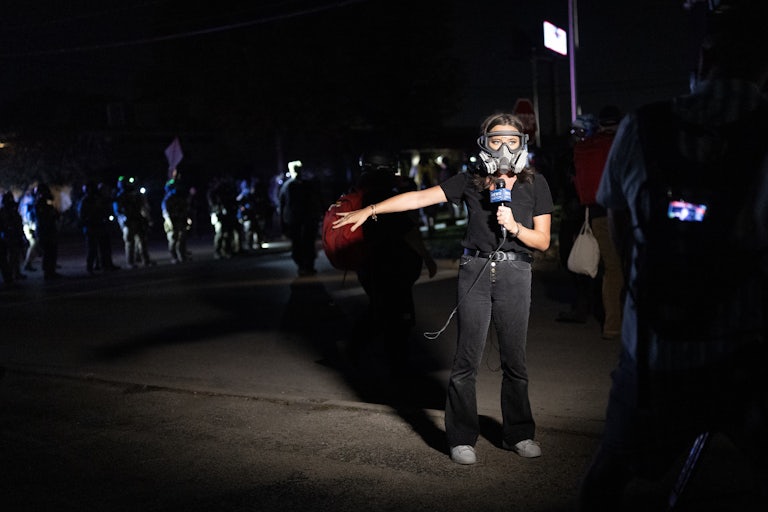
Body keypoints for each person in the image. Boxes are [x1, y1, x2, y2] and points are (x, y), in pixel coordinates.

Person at [577, 1, 768, 509]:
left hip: (654, 359)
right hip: (745, 360)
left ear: (703, 61)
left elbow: (620, 228)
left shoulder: (641, 127)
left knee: (606, 480)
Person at [333, 113, 554, 465]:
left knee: (515, 361)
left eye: (512, 140)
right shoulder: (469, 180)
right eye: (497, 140)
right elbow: (418, 198)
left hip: (516, 272)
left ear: (522, 145)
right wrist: (371, 209)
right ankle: (461, 438)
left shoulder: (536, 183)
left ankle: (519, 433)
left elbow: (542, 241)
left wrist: (514, 227)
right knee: (466, 361)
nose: (504, 147)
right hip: (475, 270)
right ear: (485, 143)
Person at [350, 150, 437, 374]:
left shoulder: (359, 193)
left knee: (379, 309)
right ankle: (394, 363)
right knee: (396, 315)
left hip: (368, 264)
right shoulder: (385, 197)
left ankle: (360, 350)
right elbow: (409, 232)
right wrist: (427, 258)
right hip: (392, 265)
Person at [561, 107, 625, 340]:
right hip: (622, 212)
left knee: (611, 268)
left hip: (595, 213)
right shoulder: (620, 144)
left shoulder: (584, 149)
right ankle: (621, 325)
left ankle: (612, 325)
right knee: (623, 269)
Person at [279, 164, 324, 276]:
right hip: (300, 220)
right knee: (303, 243)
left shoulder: (290, 186)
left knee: (303, 243)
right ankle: (305, 265)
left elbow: (283, 205)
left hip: (300, 220)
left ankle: (305, 265)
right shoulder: (295, 185)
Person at [77, 181, 119, 274]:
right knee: (92, 248)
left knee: (104, 246)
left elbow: (104, 208)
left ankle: (106, 264)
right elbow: (82, 215)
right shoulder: (85, 201)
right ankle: (90, 267)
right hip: (91, 226)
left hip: (100, 225)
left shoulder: (97, 199)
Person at [113, 176, 153, 268]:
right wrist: (123, 221)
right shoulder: (120, 197)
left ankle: (145, 260)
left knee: (142, 241)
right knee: (130, 242)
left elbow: (143, 207)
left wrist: (147, 218)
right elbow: (118, 211)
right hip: (129, 221)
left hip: (138, 219)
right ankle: (130, 262)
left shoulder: (136, 195)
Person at [30, 183, 62, 281]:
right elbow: (43, 218)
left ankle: (51, 271)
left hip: (49, 230)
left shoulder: (46, 203)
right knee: (48, 252)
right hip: (45, 231)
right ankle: (48, 273)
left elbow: (55, 215)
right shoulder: (39, 204)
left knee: (52, 252)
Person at [0, 191, 28, 282]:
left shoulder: (11, 210)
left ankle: (15, 273)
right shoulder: (4, 211)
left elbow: (17, 223)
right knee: (11, 256)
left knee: (15, 256)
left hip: (13, 235)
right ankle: (10, 275)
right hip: (8, 236)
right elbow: (6, 224)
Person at [161, 178, 191, 264]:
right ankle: (174, 257)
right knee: (173, 240)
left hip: (180, 220)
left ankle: (182, 256)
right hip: (172, 221)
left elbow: (185, 209)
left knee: (182, 239)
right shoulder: (167, 200)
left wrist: (187, 219)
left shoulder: (179, 198)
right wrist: (170, 223)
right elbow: (166, 213)